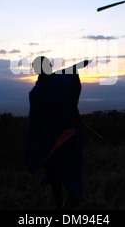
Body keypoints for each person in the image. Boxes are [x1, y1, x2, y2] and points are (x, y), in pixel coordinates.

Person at [25, 56, 90, 209]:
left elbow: (35, 119)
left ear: (35, 70)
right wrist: (73, 72)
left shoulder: (35, 92)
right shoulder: (61, 81)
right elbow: (72, 93)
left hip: (48, 140)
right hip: (68, 136)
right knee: (70, 176)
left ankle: (59, 207)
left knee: (55, 178)